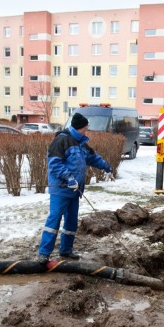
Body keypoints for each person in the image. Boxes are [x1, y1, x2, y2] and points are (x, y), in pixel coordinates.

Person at [37, 113, 114, 263]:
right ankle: (44, 253)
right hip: (61, 189)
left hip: (75, 190)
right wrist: (69, 178)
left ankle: (66, 250)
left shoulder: (81, 143)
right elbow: (54, 163)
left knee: (71, 221)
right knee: (54, 220)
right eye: (85, 128)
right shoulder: (61, 141)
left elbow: (93, 157)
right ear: (79, 128)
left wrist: (107, 168)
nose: (87, 131)